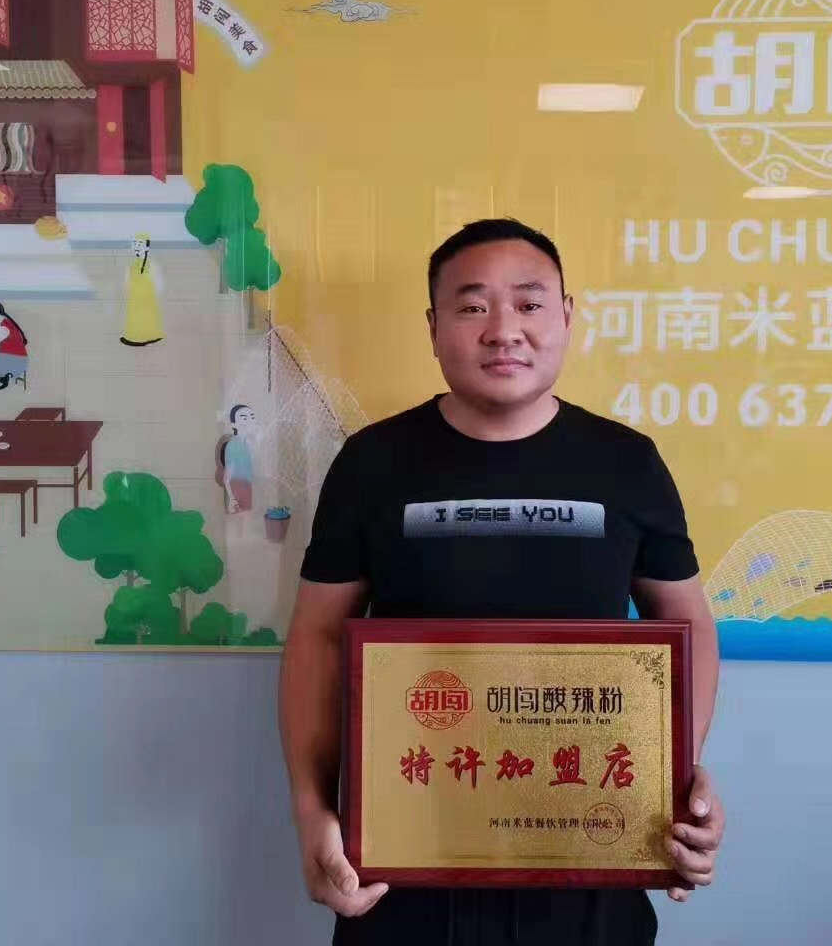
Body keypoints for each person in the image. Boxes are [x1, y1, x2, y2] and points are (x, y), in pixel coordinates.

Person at [280, 218, 723, 946]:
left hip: (587, 861)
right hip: (406, 864)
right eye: (472, 306)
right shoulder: (371, 463)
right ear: (433, 328)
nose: (503, 330)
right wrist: (310, 810)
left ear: (567, 317)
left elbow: (687, 624)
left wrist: (674, 775)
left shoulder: (627, 463)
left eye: (528, 303)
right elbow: (319, 637)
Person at [121, 232, 164, 347]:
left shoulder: (152, 266)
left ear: (147, 247)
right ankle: (137, 336)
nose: (136, 246)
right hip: (135, 297)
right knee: (135, 317)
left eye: (140, 243)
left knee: (144, 317)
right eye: (134, 243)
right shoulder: (132, 266)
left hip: (146, 298)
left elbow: (158, 283)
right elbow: (128, 282)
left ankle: (143, 337)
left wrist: (150, 295)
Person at [217, 404, 255, 514]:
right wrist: (232, 499)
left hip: (245, 488)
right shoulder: (234, 445)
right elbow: (227, 477)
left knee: (245, 519)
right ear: (234, 424)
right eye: (244, 418)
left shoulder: (246, 445)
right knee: (239, 520)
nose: (250, 421)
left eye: (252, 417)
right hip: (236, 490)